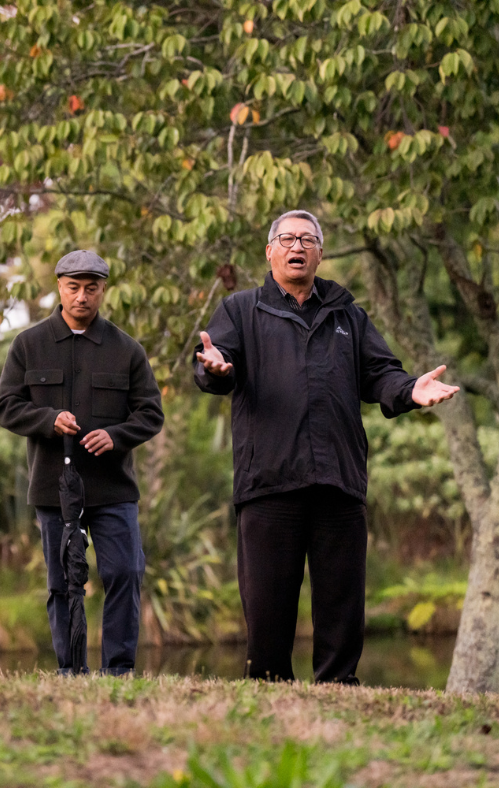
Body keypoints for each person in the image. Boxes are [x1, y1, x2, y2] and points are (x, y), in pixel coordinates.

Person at [194, 210, 459, 684]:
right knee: (268, 602)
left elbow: (381, 374)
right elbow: (218, 362)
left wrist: (410, 390)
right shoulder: (240, 310)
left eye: (308, 239)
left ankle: (340, 688)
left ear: (320, 252)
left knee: (342, 600)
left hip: (338, 479)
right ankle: (269, 689)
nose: (297, 246)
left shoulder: (348, 316)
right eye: (287, 238)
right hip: (269, 482)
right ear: (270, 251)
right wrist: (214, 367)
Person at [0, 250, 164, 675]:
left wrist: (116, 435)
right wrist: (49, 420)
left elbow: (150, 414)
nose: (82, 297)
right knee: (62, 582)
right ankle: (70, 671)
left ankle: (119, 670)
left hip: (113, 489)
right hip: (53, 487)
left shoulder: (126, 349)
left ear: (103, 290)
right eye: (74, 288)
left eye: (91, 288)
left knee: (125, 572)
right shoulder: (28, 345)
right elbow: (6, 407)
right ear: (59, 287)